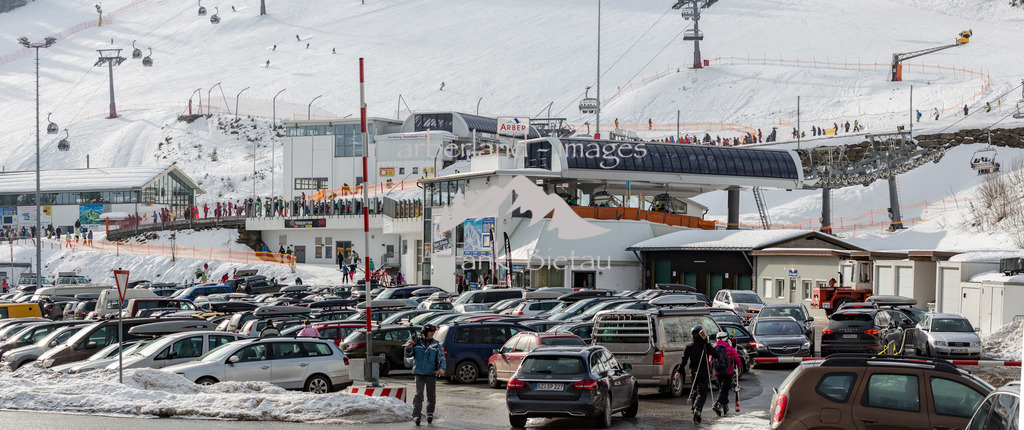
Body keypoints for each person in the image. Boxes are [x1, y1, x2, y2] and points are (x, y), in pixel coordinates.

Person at [404, 324, 446, 425]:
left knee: (431, 396)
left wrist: (442, 368)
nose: (432, 334)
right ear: (425, 332)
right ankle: (416, 415)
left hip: (431, 373)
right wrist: (408, 347)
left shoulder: (435, 344)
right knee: (419, 395)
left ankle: (430, 413)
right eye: (430, 332)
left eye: (433, 332)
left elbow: (442, 357)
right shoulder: (417, 343)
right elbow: (409, 353)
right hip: (419, 373)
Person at [675, 326, 717, 423]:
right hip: (703, 372)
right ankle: (697, 409)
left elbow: (684, 360)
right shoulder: (705, 346)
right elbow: (715, 354)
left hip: (693, 372)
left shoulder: (689, 347)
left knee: (694, 390)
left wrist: (679, 371)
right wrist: (708, 344)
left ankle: (694, 408)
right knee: (702, 392)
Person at [711, 331, 741, 417]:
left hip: (718, 372)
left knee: (722, 389)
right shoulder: (729, 348)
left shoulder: (714, 348)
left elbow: (710, 360)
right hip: (728, 372)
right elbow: (737, 358)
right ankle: (718, 403)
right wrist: (738, 367)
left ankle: (725, 407)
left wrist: (712, 369)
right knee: (724, 389)